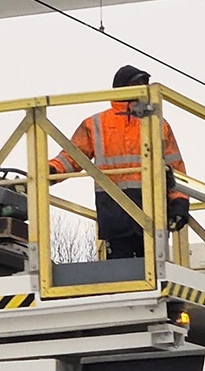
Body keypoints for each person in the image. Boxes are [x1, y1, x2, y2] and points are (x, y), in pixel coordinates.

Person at [49, 65, 189, 259]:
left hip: (152, 211)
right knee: (121, 273)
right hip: (114, 212)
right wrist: (49, 171)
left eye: (143, 85)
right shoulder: (97, 123)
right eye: (136, 84)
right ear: (121, 88)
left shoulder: (158, 124)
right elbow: (73, 156)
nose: (142, 90)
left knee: (155, 273)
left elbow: (175, 169)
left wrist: (180, 202)